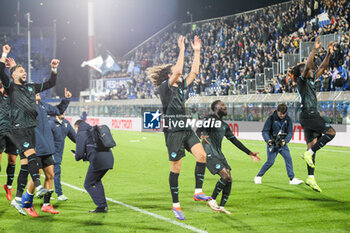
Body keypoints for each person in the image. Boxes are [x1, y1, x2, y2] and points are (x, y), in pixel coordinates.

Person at [147, 35, 211, 221]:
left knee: (202, 156)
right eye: (175, 71)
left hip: (185, 129)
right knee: (176, 169)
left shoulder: (180, 86)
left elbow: (194, 72)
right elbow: (180, 69)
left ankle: (198, 191)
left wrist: (197, 51)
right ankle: (176, 205)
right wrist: (182, 50)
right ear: (169, 75)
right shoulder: (164, 88)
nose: (179, 73)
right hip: (173, 132)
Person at [0, 45, 59, 215]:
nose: (24, 73)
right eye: (20, 71)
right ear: (13, 75)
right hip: (18, 128)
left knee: (25, 164)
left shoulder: (32, 87)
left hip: (30, 128)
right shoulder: (11, 87)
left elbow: (51, 82)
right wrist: (4, 54)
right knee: (32, 156)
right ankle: (39, 187)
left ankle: (18, 199)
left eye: (25, 71)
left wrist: (54, 69)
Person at [196, 100, 261, 214]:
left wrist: (249, 153)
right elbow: (199, 129)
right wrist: (201, 134)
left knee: (229, 178)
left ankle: (221, 207)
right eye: (222, 105)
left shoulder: (224, 125)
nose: (225, 107)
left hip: (219, 153)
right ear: (216, 108)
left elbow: (234, 141)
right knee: (225, 176)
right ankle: (211, 199)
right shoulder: (209, 118)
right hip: (208, 152)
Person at [291, 37, 336, 192]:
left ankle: (310, 177)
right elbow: (309, 65)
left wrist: (328, 54)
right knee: (331, 132)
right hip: (309, 115)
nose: (312, 70)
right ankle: (308, 153)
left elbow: (322, 67)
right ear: (303, 72)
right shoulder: (301, 81)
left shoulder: (310, 80)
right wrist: (314, 49)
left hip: (308, 116)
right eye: (309, 69)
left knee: (312, 144)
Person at [22, 90, 71, 217]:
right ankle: (27, 204)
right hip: (35, 147)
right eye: (34, 92)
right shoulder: (25, 108)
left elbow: (58, 110)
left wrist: (66, 100)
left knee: (50, 175)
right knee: (35, 176)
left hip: (47, 147)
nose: (37, 93)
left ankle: (46, 204)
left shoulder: (43, 105)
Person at [254, 104, 303, 185]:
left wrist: (285, 141)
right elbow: (265, 131)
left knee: (288, 159)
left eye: (284, 114)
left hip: (282, 144)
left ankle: (292, 179)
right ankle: (258, 176)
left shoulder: (288, 119)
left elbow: (290, 132)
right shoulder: (271, 118)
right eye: (280, 114)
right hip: (273, 143)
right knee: (270, 162)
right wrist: (268, 140)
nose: (282, 116)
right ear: (277, 111)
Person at [74, 120, 114, 213]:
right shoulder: (93, 130)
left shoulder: (81, 133)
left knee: (88, 184)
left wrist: (76, 155)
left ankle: (101, 205)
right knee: (96, 181)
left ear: (77, 127)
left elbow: (79, 155)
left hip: (98, 161)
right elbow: (92, 149)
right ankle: (103, 206)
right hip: (109, 159)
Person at [49, 112, 76, 201]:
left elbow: (75, 137)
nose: (63, 112)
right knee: (55, 172)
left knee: (50, 173)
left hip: (58, 153)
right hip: (48, 152)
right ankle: (59, 194)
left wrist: (84, 144)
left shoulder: (66, 123)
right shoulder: (50, 123)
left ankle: (43, 191)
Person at [0, 81, 18, 201]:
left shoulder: (15, 99)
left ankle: (9, 186)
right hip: (0, 132)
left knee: (12, 160)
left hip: (13, 134)